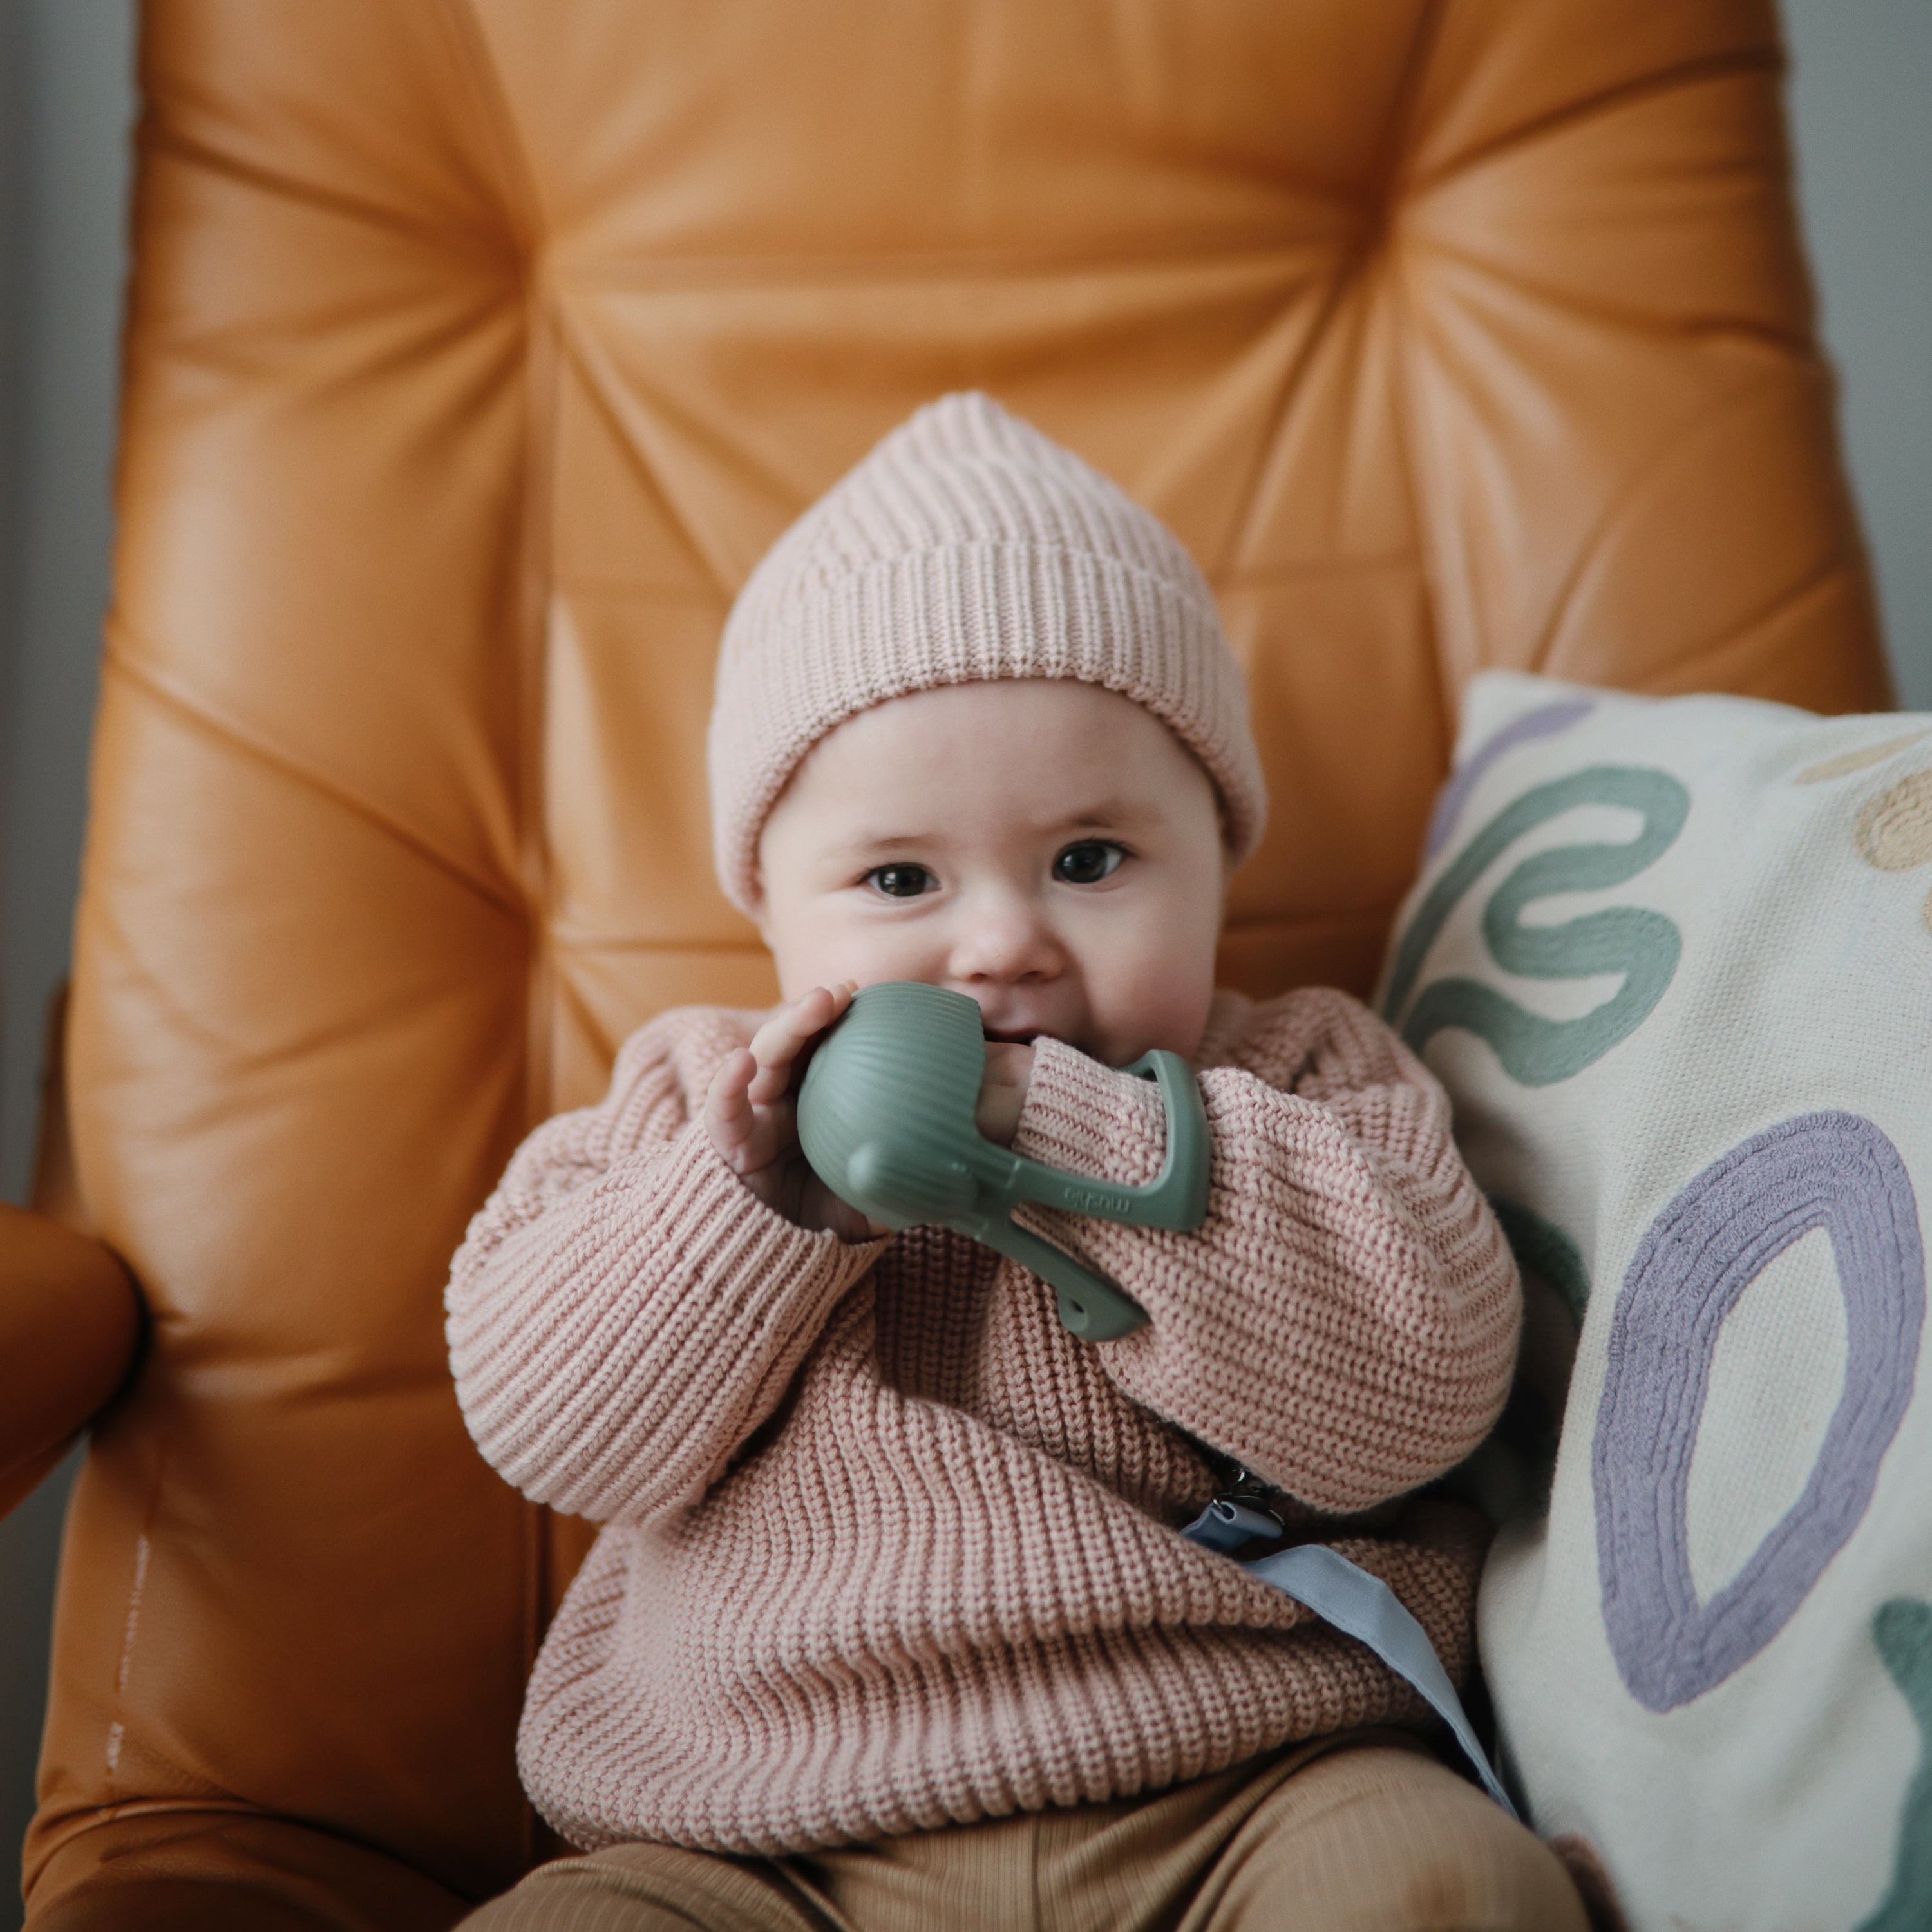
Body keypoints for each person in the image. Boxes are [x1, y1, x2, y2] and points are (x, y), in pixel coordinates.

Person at [446, 393, 1586, 1930]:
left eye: (1090, 861)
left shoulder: (1302, 1076)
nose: (1001, 944)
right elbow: (551, 1431)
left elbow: (1422, 1389)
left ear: (1216, 857)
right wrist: (748, 1207)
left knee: (1451, 1890)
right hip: (754, 1839)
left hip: (1248, 1780)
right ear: (772, 913)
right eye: (900, 877)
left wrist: (1065, 1130)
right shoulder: (697, 1104)